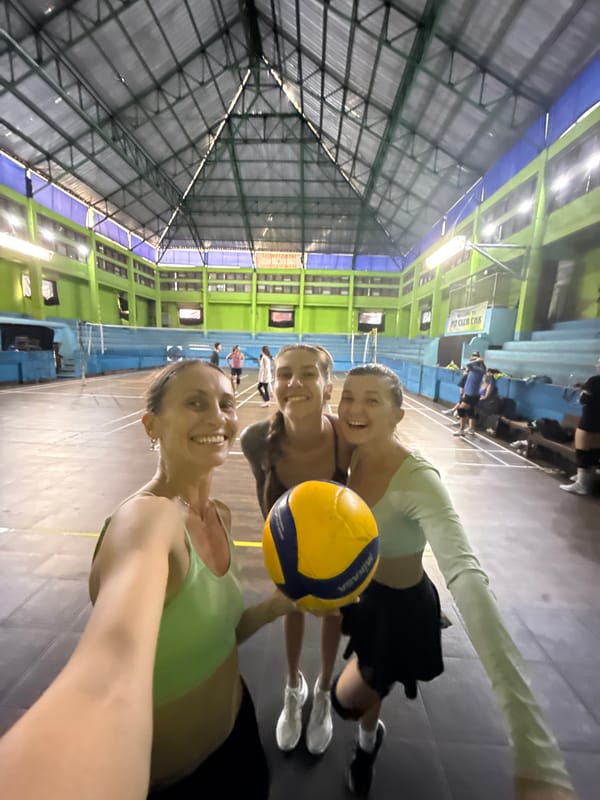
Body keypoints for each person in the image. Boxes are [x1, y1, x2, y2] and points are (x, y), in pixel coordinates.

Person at [330, 364, 577, 800]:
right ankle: (368, 744)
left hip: (402, 610)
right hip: (364, 597)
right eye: (348, 396)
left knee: (344, 699)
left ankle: (371, 730)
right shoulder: (353, 450)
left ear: (397, 415)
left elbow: (466, 576)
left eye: (372, 400)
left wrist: (534, 749)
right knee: (367, 685)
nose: (353, 408)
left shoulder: (419, 481)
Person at [89, 359, 294, 797]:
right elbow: (102, 672)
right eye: (195, 403)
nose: (217, 417)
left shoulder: (218, 515)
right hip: (174, 779)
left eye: (224, 403)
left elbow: (220, 636)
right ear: (151, 426)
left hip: (237, 734)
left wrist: (277, 605)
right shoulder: (141, 525)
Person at [240, 344, 353, 756]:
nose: (295, 383)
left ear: (328, 386)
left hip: (338, 547)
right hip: (288, 546)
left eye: (308, 374)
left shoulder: (347, 440)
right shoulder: (256, 440)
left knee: (333, 615)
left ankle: (323, 689)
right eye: (285, 374)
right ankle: (293, 686)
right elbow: (266, 509)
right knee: (291, 607)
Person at [560, 356, 600, 495]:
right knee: (594, 450)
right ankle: (588, 479)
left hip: (589, 420)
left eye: (599, 362)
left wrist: (583, 391)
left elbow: (584, 400)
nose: (597, 364)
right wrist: (585, 386)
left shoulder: (593, 380)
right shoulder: (593, 383)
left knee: (582, 449)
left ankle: (581, 484)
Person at [453, 354, 485, 436]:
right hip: (470, 394)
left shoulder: (478, 370)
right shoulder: (475, 370)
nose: (471, 361)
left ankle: (461, 429)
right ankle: (471, 428)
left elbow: (468, 365)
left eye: (473, 360)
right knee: (470, 412)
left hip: (471, 395)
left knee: (461, 410)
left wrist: (477, 360)